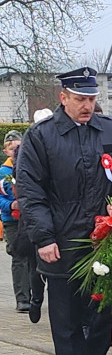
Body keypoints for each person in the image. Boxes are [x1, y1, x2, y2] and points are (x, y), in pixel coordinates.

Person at [16, 67, 112, 355]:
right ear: (64, 98)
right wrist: (43, 237)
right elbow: (30, 190)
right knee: (67, 319)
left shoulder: (110, 130)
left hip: (103, 236)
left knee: (105, 310)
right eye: (80, 99)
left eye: (92, 99)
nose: (87, 105)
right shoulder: (42, 136)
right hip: (61, 238)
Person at [2, 130, 41, 316]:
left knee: (33, 259)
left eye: (18, 146)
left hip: (30, 218)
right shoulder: (3, 171)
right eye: (11, 147)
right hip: (12, 220)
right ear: (5, 150)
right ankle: (22, 298)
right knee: (19, 257)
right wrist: (11, 205)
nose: (15, 149)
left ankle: (35, 295)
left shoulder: (29, 166)